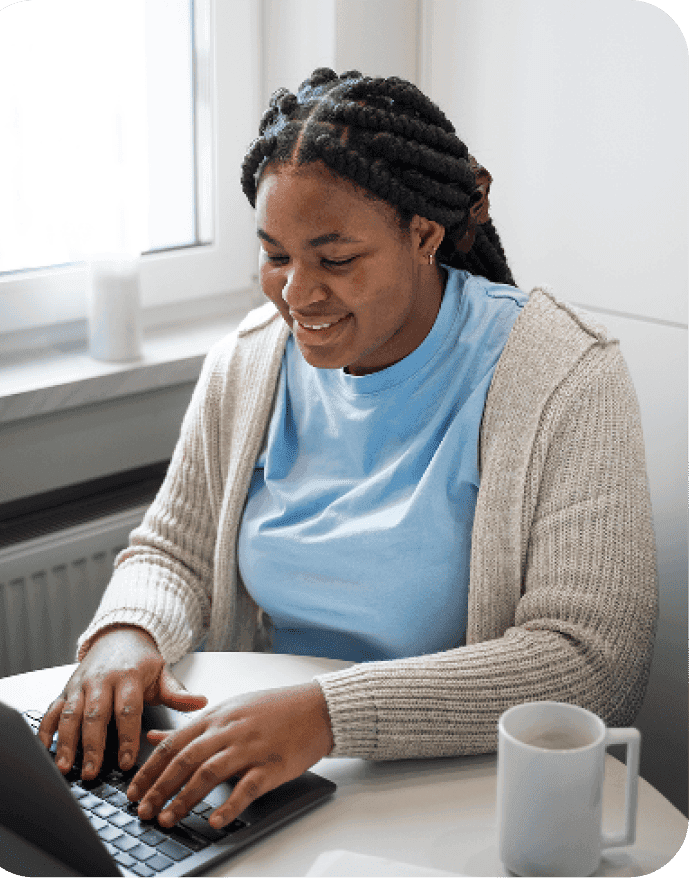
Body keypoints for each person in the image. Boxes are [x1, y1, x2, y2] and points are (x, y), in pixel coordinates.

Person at [38, 68, 657, 834]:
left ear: (423, 235)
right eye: (275, 255)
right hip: (276, 773)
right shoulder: (250, 360)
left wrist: (327, 716)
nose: (296, 295)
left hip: (463, 788)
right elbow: (174, 552)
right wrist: (125, 636)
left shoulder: (563, 376)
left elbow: (590, 663)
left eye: (334, 260)